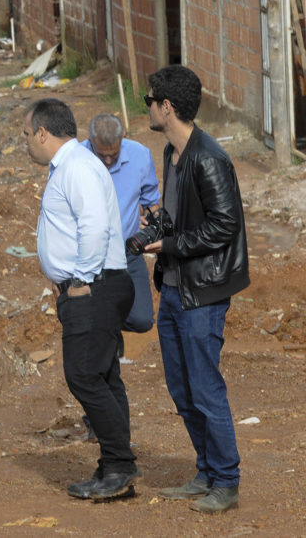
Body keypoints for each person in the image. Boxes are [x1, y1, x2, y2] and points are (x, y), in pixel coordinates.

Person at [142, 66, 248, 514]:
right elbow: (183, 214)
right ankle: (206, 471)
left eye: (149, 99)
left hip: (201, 293)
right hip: (173, 287)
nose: (145, 105)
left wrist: (170, 243)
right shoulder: (172, 153)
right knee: (182, 388)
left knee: (205, 388)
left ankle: (226, 480)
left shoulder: (209, 158)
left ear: (167, 107)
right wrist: (158, 225)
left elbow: (224, 225)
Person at [23, 98, 138, 501]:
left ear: (43, 132)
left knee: (84, 376)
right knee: (104, 376)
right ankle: (113, 466)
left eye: (27, 135)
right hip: (97, 285)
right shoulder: (75, 166)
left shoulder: (76, 167)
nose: (26, 143)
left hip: (95, 286)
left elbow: (93, 226)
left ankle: (120, 465)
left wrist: (81, 281)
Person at [81, 114, 159, 336]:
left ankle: (106, 321)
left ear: (123, 139)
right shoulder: (75, 159)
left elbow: (151, 200)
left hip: (128, 252)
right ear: (89, 141)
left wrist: (153, 222)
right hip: (90, 255)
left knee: (142, 319)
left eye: (113, 155)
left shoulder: (140, 156)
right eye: (101, 154)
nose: (107, 161)